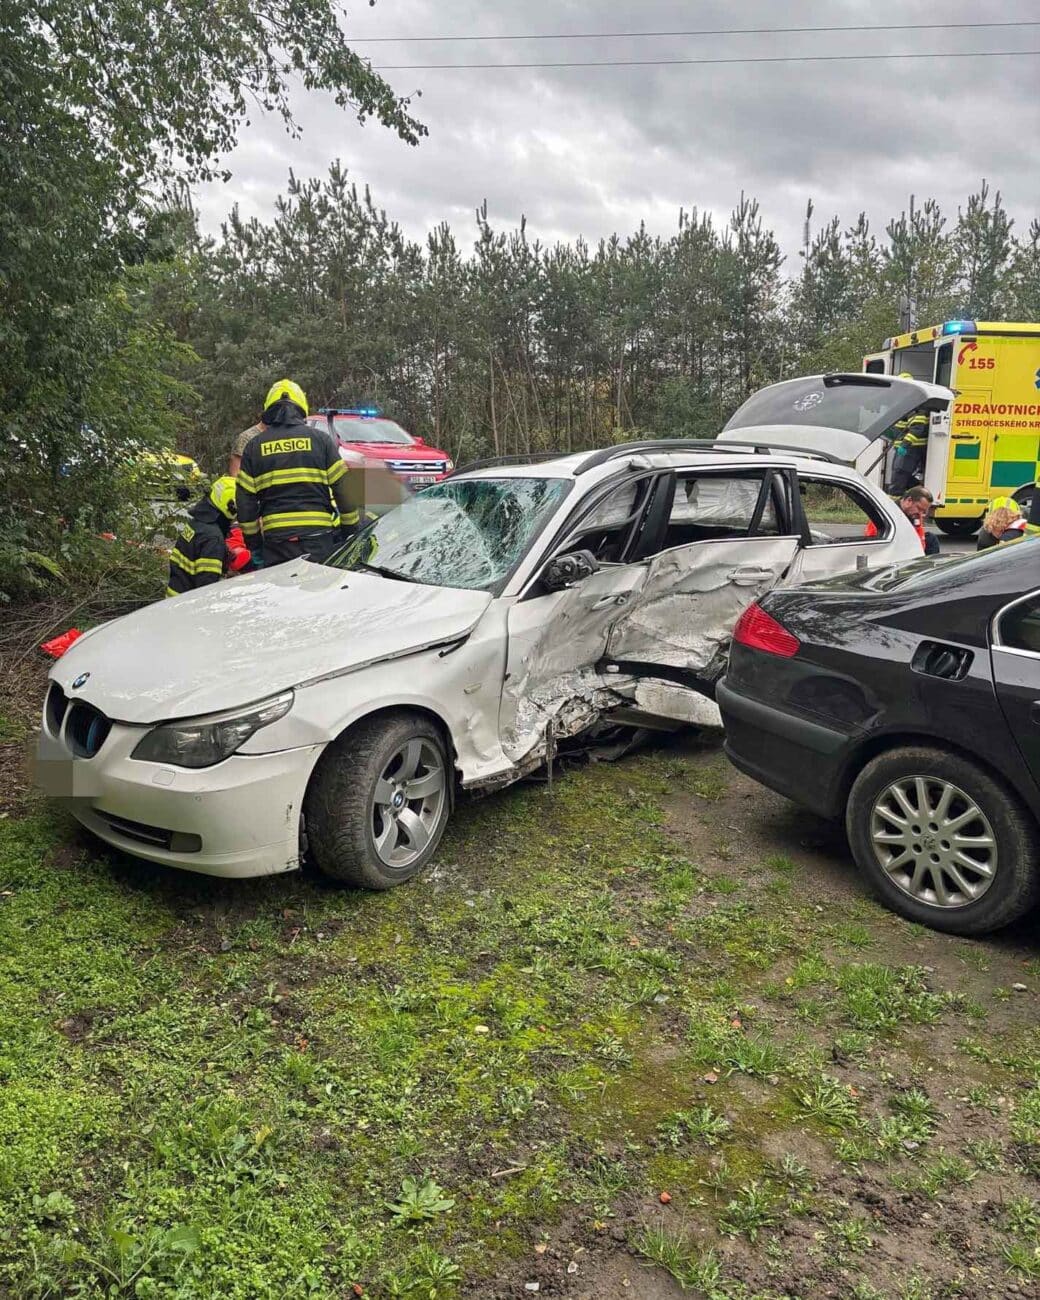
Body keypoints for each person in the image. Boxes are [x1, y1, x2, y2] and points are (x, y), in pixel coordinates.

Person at [236, 379, 358, 565]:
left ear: (269, 410)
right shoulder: (321, 441)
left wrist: (254, 545)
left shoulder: (254, 447)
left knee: (281, 593)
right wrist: (350, 531)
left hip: (276, 543)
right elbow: (345, 490)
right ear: (302, 407)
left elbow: (245, 503)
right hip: (318, 539)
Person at [166, 476, 246, 597]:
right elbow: (207, 588)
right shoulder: (213, 539)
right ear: (231, 507)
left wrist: (223, 556)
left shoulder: (197, 523)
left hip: (174, 596)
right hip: (188, 607)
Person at [888, 373, 931, 495]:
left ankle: (894, 501)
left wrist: (904, 445)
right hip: (905, 446)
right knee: (901, 474)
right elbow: (901, 426)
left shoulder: (915, 403)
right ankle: (920, 493)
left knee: (900, 474)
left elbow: (917, 427)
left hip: (912, 446)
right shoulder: (907, 402)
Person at [864, 486, 937, 553]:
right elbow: (871, 542)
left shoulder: (915, 516)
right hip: (890, 550)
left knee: (931, 539)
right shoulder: (885, 513)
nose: (920, 514)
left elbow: (921, 540)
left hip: (908, 548)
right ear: (909, 501)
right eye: (919, 508)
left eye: (923, 511)